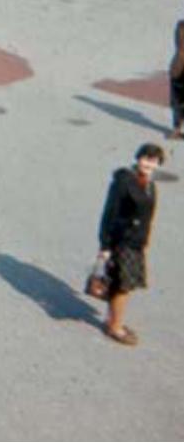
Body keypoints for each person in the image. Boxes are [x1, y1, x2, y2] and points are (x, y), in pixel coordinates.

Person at [95, 143, 164, 346]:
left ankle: (112, 320)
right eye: (145, 158)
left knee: (119, 282)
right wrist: (105, 245)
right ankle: (115, 327)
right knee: (124, 286)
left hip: (136, 242)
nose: (148, 164)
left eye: (153, 161)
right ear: (137, 158)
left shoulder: (150, 185)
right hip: (122, 241)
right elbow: (110, 213)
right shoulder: (124, 181)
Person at [168, 19, 184, 140]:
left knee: (177, 101)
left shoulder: (180, 26)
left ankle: (176, 129)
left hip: (177, 67)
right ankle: (176, 130)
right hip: (179, 67)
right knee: (178, 101)